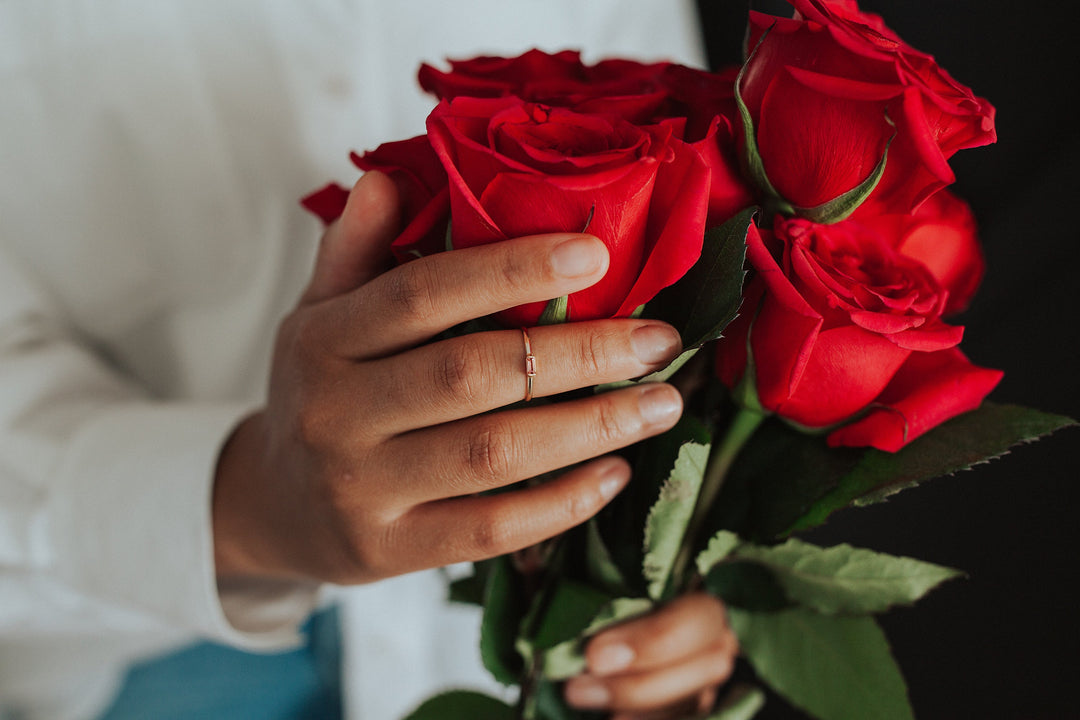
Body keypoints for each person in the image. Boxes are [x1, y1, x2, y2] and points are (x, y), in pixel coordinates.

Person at [0, 2, 740, 719]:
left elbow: (681, 173)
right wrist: (250, 504)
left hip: (505, 626)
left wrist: (647, 606)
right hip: (139, 639)